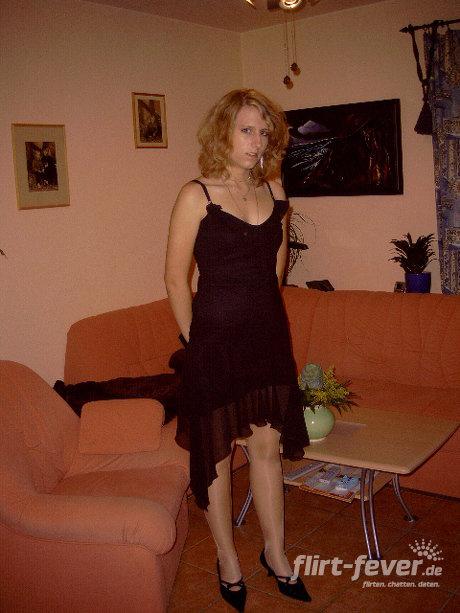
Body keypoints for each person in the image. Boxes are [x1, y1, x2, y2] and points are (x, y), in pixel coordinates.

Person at [165, 89, 310, 611]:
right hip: (214, 345)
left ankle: (275, 553)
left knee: (267, 450)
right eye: (246, 130)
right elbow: (175, 279)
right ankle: (227, 558)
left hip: (267, 341)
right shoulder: (196, 195)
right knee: (220, 455)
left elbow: (276, 274)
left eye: (264, 133)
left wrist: (259, 318)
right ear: (222, 132)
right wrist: (195, 340)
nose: (257, 142)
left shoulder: (275, 191)